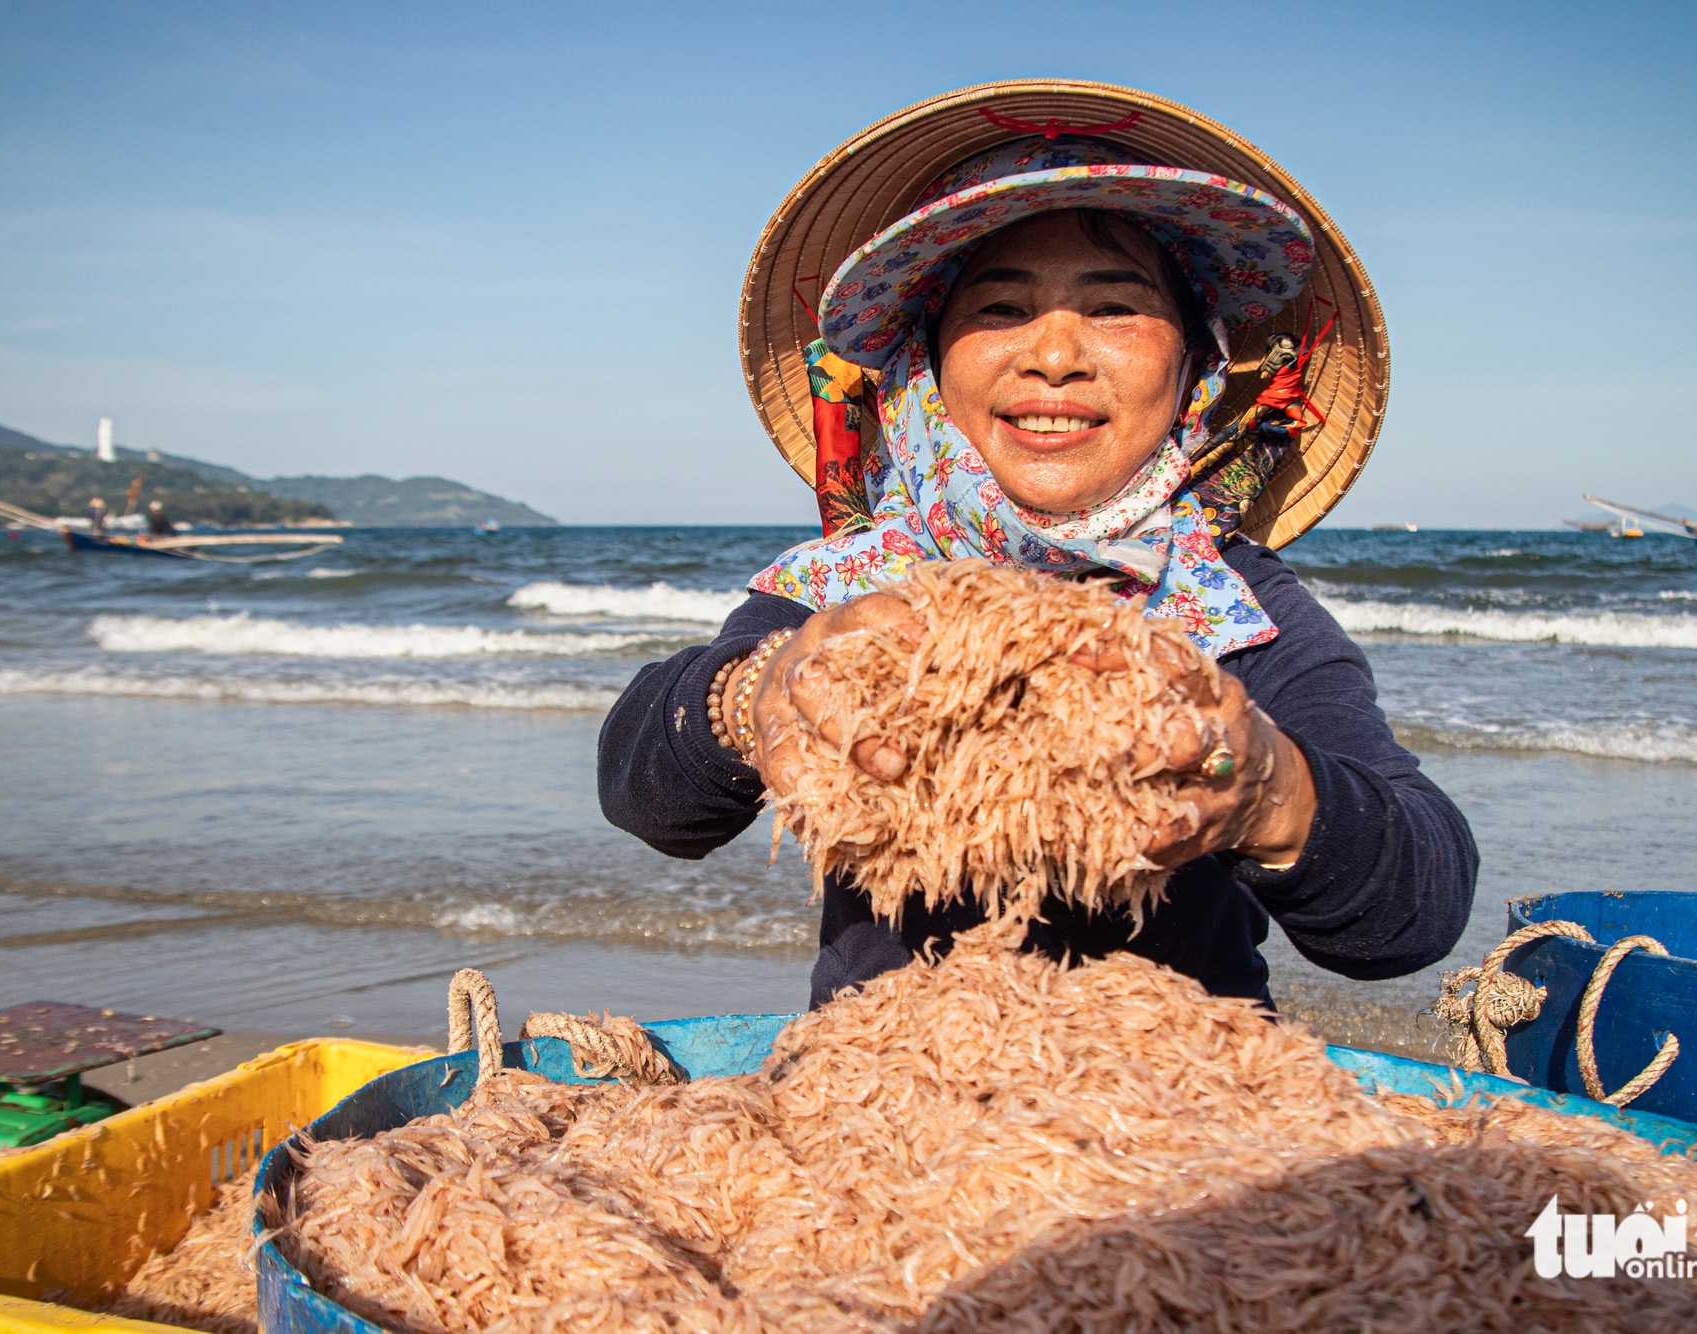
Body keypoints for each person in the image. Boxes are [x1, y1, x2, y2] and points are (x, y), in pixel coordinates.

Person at [600, 82, 1478, 1009]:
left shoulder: (1228, 607)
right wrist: (754, 694)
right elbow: (647, 796)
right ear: (926, 365)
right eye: (1003, 309)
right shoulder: (852, 590)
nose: (1054, 355)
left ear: (1193, 367)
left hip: (1180, 1098)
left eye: (1112, 309)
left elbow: (1414, 913)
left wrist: (1264, 786)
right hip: (879, 1082)